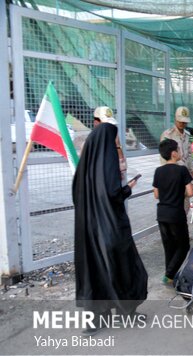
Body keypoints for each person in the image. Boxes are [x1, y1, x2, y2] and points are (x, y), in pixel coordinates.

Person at [72, 122, 148, 335]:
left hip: (88, 231)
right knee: (126, 268)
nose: (117, 144)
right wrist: (128, 189)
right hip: (112, 228)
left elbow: (77, 196)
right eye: (115, 140)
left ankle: (96, 320)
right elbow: (113, 194)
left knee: (95, 273)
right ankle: (127, 314)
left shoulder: (85, 165)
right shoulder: (108, 161)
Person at [153, 139, 193, 286]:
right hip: (176, 213)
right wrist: (178, 192)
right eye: (178, 149)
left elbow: (156, 195)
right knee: (183, 246)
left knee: (169, 246)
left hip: (162, 214)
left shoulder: (158, 171)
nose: (180, 151)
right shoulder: (182, 170)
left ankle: (170, 276)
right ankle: (169, 274)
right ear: (173, 153)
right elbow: (190, 192)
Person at [160, 106, 193, 186]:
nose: (182, 124)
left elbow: (189, 156)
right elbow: (164, 157)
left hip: (185, 174)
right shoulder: (167, 135)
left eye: (184, 122)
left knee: (187, 197)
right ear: (175, 119)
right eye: (180, 121)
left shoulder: (187, 135)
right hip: (173, 175)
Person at [93, 106, 127, 180]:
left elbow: (122, 168)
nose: (110, 128)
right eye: (107, 124)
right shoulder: (90, 144)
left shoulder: (112, 142)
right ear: (96, 123)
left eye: (111, 125)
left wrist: (117, 145)